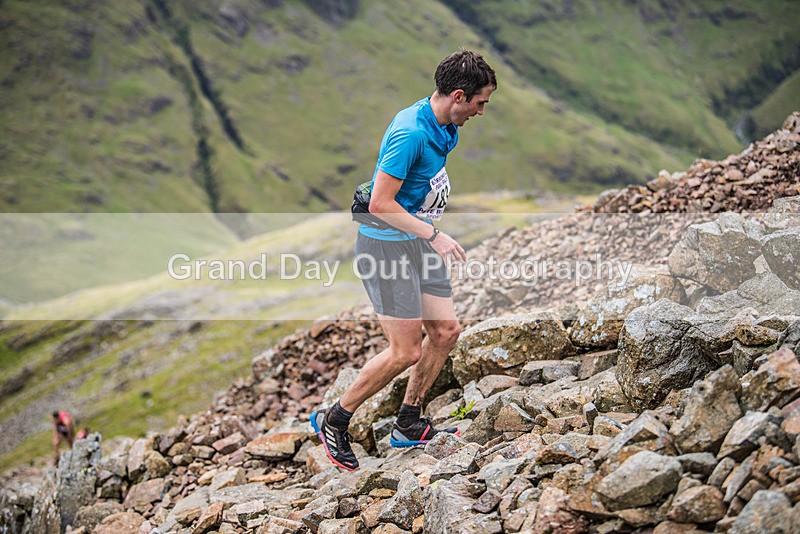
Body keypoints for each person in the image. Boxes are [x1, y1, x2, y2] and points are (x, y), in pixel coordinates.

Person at [311, 50, 497, 471]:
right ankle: (335, 420)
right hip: (387, 248)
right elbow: (380, 202)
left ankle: (408, 423)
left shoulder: (446, 125)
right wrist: (435, 234)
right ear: (458, 95)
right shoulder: (411, 132)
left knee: (446, 331)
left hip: (416, 244)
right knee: (405, 351)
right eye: (480, 103)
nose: (482, 112)